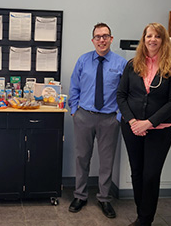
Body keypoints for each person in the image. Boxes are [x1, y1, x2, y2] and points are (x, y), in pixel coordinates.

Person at [116, 23, 171, 226]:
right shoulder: (132, 64)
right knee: (137, 172)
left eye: (157, 36)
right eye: (148, 36)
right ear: (143, 39)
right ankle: (141, 215)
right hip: (132, 128)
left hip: (160, 131)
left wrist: (149, 123)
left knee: (151, 175)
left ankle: (145, 220)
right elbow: (121, 95)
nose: (152, 39)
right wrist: (133, 121)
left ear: (163, 41)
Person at [68, 23, 127, 218]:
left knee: (106, 162)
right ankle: (80, 195)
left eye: (105, 36)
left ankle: (104, 198)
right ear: (93, 40)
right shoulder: (83, 61)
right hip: (84, 116)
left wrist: (119, 116)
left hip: (109, 119)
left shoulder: (121, 64)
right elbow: (74, 87)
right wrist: (74, 110)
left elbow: (125, 93)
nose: (101, 40)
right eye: (98, 36)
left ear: (111, 38)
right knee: (82, 157)